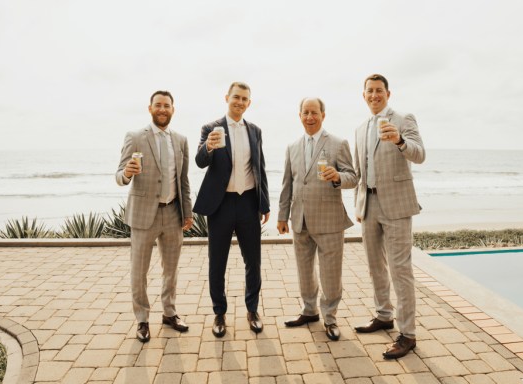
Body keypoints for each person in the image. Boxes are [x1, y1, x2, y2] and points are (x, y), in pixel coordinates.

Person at [353, 74, 426, 359]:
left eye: (379, 90)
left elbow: (420, 155)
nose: (374, 95)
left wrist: (399, 141)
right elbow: (360, 173)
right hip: (369, 206)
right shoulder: (360, 129)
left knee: (400, 270)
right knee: (375, 266)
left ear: (388, 93)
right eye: (369, 91)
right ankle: (384, 315)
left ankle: (408, 334)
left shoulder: (404, 119)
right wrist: (359, 205)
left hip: (397, 206)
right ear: (364, 95)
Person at [193, 82, 270, 337]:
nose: (239, 101)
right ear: (227, 98)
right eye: (235, 97)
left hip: (248, 202)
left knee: (253, 261)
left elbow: (260, 167)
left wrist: (265, 203)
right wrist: (209, 147)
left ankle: (252, 310)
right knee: (217, 262)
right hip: (221, 204)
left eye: (244, 98)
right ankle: (219, 313)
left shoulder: (256, 131)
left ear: (249, 102)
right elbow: (200, 161)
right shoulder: (210, 128)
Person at [116, 90, 193, 343]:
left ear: (173, 109)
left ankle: (169, 313)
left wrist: (187, 212)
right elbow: (119, 176)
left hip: (173, 213)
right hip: (143, 216)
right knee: (139, 270)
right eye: (158, 105)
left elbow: (183, 181)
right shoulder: (136, 137)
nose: (162, 109)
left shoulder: (181, 140)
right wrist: (127, 172)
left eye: (167, 105)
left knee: (170, 269)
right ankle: (142, 319)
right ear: (150, 108)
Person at [277, 98, 357, 341]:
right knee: (305, 271)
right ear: (299, 115)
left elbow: (353, 177)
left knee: (331, 273)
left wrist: (337, 177)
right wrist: (282, 216)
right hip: (299, 220)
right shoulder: (292, 147)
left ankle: (330, 318)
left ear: (323, 114)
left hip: (329, 220)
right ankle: (309, 310)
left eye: (314, 112)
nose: (309, 117)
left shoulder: (338, 143)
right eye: (305, 112)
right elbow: (287, 184)